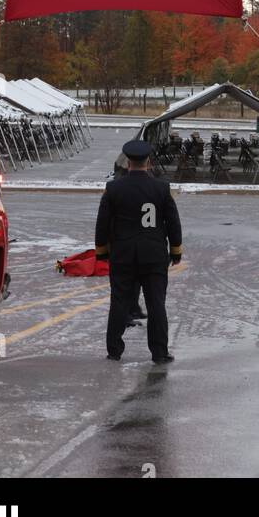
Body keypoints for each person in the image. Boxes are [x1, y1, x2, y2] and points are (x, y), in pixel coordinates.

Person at [95, 139, 183, 363]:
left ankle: (114, 350)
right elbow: (173, 222)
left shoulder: (113, 188)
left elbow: (102, 222)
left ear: (127, 162)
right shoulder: (162, 188)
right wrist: (175, 251)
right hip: (153, 256)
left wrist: (102, 251)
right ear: (149, 162)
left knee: (119, 302)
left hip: (123, 255)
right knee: (156, 305)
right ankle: (159, 353)